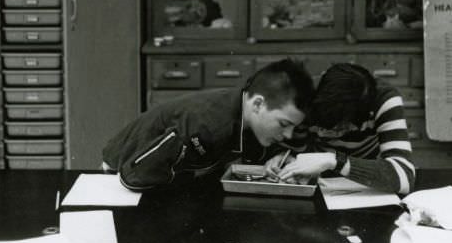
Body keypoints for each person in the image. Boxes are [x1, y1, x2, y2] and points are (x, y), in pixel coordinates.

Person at [102, 58, 314, 191]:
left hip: (165, 176)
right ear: (258, 104)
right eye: (284, 124)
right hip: (122, 178)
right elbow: (135, 176)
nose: (288, 135)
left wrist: (275, 155)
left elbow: (250, 139)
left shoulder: (245, 107)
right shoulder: (207, 125)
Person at [267, 63, 415, 194]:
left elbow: (404, 176)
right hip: (315, 184)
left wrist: (336, 161)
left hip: (363, 182)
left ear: (362, 119)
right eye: (317, 125)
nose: (320, 133)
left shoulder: (384, 99)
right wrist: (282, 157)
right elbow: (287, 147)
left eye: (337, 130)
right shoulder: (303, 95)